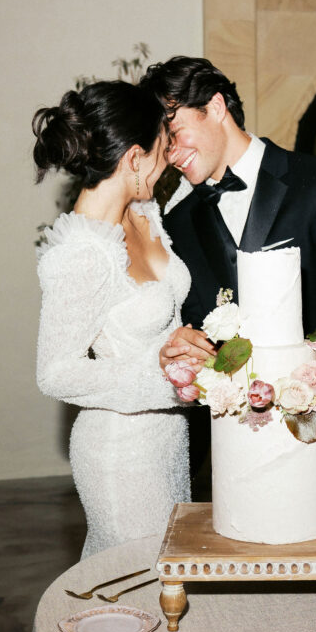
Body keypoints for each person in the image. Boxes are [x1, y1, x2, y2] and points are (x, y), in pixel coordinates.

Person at [142, 56, 316, 530]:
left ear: (215, 107)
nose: (172, 155)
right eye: (163, 145)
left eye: (174, 133)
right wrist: (192, 351)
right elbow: (206, 330)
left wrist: (300, 371)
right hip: (245, 451)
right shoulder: (180, 222)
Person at [32, 79, 213, 558]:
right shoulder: (80, 253)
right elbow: (55, 373)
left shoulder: (144, 212)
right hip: (120, 450)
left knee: (171, 573)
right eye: (162, 148)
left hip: (168, 437)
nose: (168, 159)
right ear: (134, 157)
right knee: (138, 577)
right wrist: (161, 371)